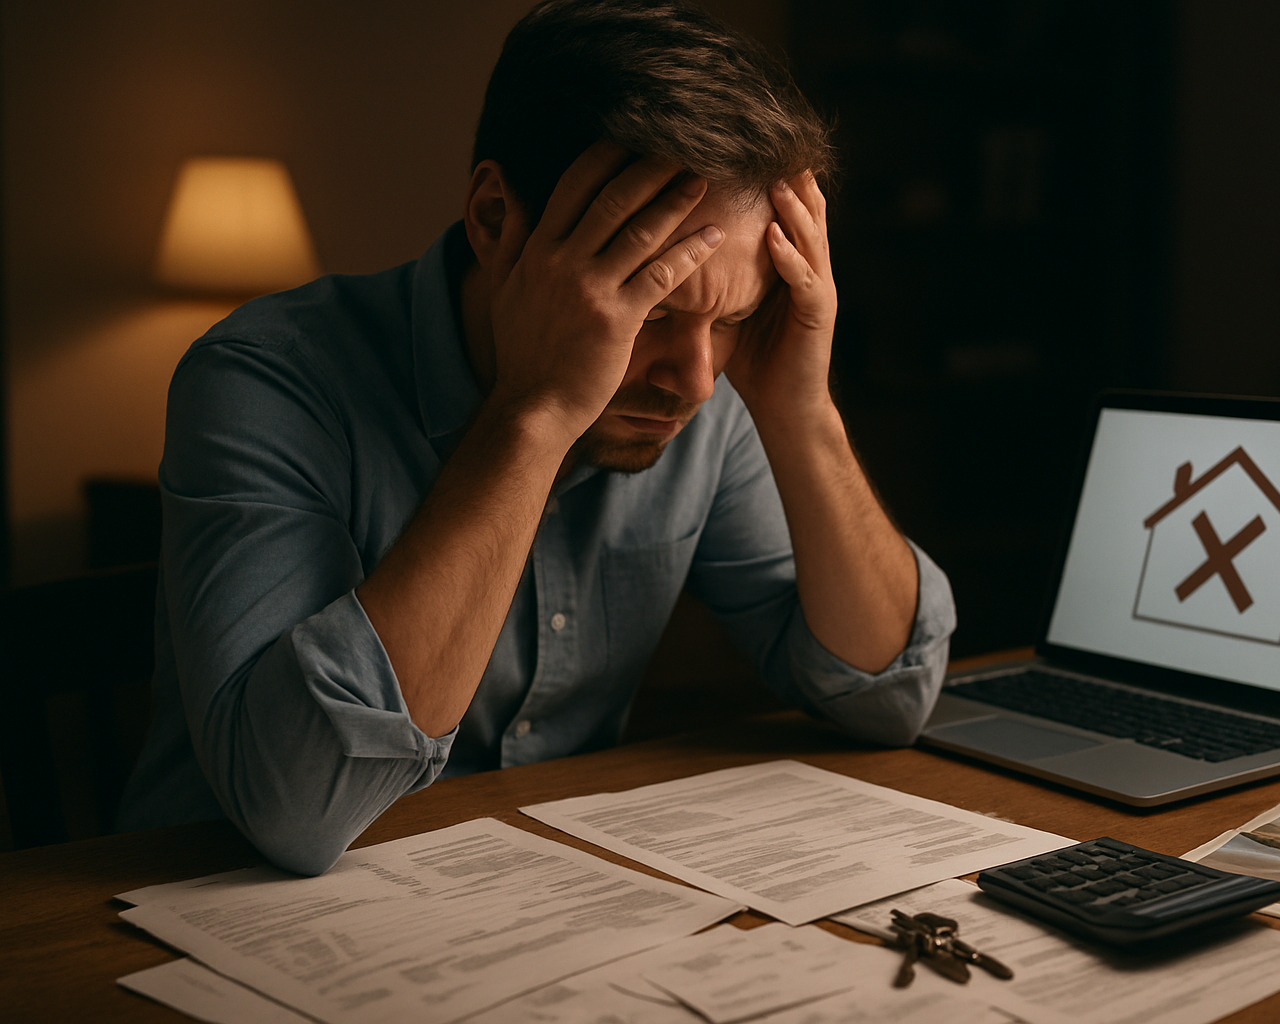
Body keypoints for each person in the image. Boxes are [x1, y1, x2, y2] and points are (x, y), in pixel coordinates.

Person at [118, 0, 955, 875]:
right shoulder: (266, 378)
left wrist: (803, 413)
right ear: (492, 219)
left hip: (536, 901)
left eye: (734, 319)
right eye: (649, 307)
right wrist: (537, 411)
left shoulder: (707, 387)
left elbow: (886, 696)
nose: (696, 380)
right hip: (197, 914)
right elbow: (294, 809)